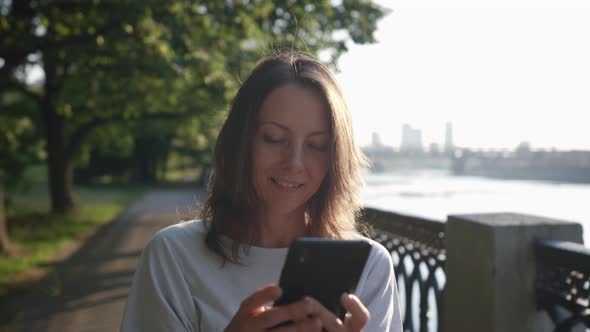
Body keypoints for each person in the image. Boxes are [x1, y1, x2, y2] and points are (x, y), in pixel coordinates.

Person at [120, 51, 403, 331]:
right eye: (273, 138)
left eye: (317, 145)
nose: (294, 163)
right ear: (240, 142)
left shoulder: (370, 268)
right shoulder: (173, 255)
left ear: (335, 159)